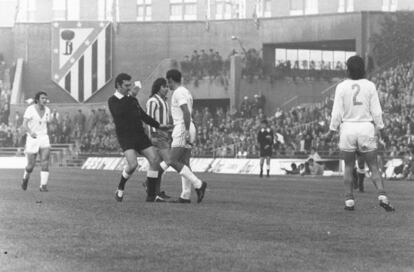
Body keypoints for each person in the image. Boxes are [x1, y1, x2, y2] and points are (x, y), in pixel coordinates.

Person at [325, 55, 395, 211]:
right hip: (366, 127)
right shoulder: (370, 86)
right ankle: (382, 196)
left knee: (349, 166)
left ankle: (349, 201)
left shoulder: (341, 87)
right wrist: (382, 130)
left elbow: (336, 113)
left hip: (348, 128)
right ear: (363, 69)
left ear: (348, 69)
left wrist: (331, 131)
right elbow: (377, 111)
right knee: (373, 166)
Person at [108, 73, 168, 203]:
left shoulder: (132, 99)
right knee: (133, 164)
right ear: (118, 85)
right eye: (126, 85)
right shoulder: (112, 100)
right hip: (126, 137)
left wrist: (159, 125)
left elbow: (143, 115)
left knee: (155, 160)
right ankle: (121, 186)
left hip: (139, 134)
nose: (129, 88)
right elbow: (119, 112)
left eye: (130, 85)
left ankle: (151, 195)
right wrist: (131, 96)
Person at [159, 69, 207, 204]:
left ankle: (199, 184)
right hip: (189, 126)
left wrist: (185, 130)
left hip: (182, 127)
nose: (167, 85)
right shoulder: (186, 91)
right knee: (184, 162)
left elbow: (185, 111)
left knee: (172, 160)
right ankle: (185, 195)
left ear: (170, 80)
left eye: (167, 81)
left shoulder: (178, 92)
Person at [144, 78, 172, 199]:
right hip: (157, 135)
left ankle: (156, 190)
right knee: (169, 161)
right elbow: (149, 120)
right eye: (164, 86)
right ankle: (149, 183)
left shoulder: (164, 102)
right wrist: (152, 135)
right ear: (159, 87)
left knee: (158, 164)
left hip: (164, 134)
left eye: (167, 87)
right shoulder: (153, 101)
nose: (167, 89)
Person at [21, 91, 51, 192]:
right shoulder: (30, 109)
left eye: (46, 98)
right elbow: (24, 124)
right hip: (32, 138)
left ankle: (43, 186)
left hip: (44, 137)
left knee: (45, 162)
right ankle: (25, 177)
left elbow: (48, 123)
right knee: (30, 166)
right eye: (42, 98)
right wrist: (30, 132)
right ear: (37, 99)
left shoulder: (48, 110)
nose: (45, 100)